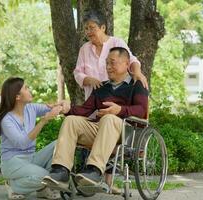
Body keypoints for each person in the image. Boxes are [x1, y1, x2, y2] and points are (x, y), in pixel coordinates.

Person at [42, 47, 148, 191]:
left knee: (109, 118)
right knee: (71, 120)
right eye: (107, 63)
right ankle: (61, 170)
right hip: (101, 130)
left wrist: (120, 110)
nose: (108, 67)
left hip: (125, 133)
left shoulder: (137, 84)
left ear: (126, 64)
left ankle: (95, 171)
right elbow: (85, 110)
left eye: (113, 63)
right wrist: (66, 109)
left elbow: (141, 110)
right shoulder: (101, 87)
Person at [0, 77, 62, 200]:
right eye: (26, 88)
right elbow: (22, 143)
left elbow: (52, 109)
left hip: (31, 158)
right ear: (17, 97)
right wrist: (43, 121)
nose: (29, 90)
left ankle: (42, 189)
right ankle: (14, 186)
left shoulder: (31, 108)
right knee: (47, 178)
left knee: (60, 143)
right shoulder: (7, 120)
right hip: (13, 163)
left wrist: (61, 105)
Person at [74, 10, 148, 101]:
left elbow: (131, 60)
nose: (88, 32)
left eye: (92, 28)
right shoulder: (84, 49)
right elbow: (77, 73)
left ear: (103, 27)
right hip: (92, 103)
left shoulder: (117, 43)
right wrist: (89, 80)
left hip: (117, 100)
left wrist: (137, 73)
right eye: (86, 28)